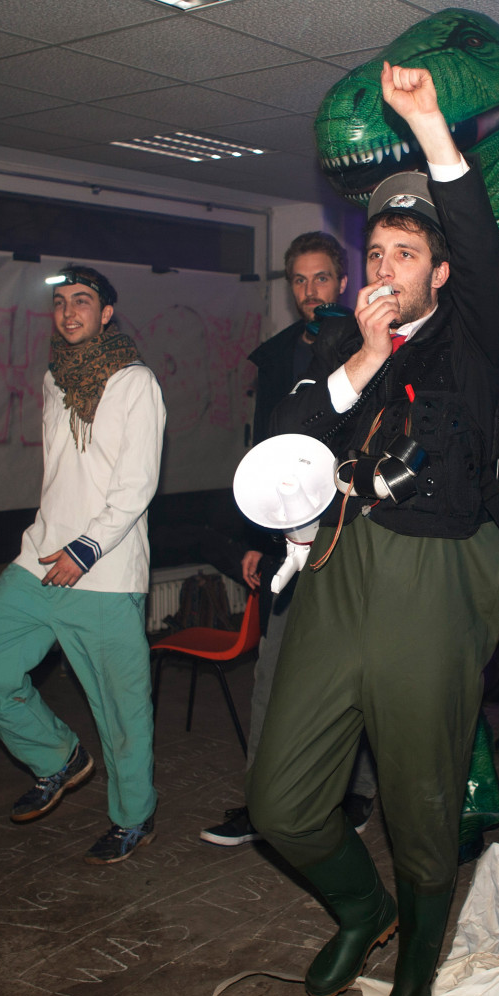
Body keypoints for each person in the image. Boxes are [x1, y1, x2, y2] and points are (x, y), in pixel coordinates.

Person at [244, 62, 499, 996]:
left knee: (420, 799)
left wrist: (433, 128)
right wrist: (363, 358)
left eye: (406, 254)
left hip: (432, 581)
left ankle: (414, 968)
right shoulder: (336, 344)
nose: (384, 269)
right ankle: (364, 909)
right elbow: (287, 442)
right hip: (336, 573)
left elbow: (479, 248)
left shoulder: (473, 340)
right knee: (281, 801)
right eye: (376, 253)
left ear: (439, 274)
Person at [0, 264, 165, 865]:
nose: (69, 312)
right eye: (61, 302)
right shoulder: (54, 379)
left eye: (83, 301)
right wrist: (60, 542)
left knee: (121, 711)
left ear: (107, 313)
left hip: (105, 572)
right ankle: (58, 756)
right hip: (40, 558)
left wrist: (87, 548)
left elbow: (137, 483)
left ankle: (134, 817)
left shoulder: (135, 382)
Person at [199, 232, 379, 848]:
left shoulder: (370, 347)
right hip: (285, 539)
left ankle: (355, 791)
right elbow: (263, 453)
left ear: (343, 281)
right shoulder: (277, 356)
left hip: (350, 534)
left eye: (321, 277)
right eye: (299, 280)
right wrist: (257, 536)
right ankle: (261, 801)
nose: (310, 291)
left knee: (352, 676)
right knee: (272, 676)